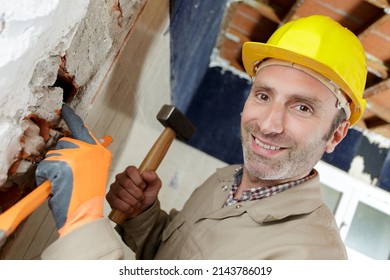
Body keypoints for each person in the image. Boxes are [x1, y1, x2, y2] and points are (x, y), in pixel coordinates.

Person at [38, 15, 367, 259]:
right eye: (264, 96)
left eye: (302, 108)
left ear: (335, 135)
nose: (268, 124)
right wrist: (143, 217)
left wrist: (81, 219)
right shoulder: (225, 180)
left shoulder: (312, 259)